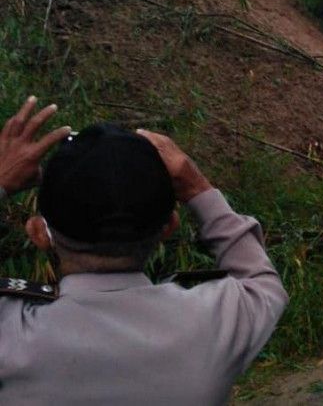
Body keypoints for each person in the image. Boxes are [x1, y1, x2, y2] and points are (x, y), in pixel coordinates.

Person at [0, 105, 288, 404]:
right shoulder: (213, 323)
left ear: (38, 233)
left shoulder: (10, 335)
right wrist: (198, 187)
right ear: (169, 228)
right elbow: (262, 283)